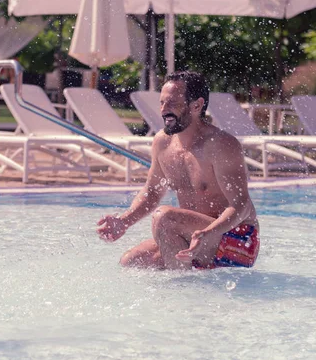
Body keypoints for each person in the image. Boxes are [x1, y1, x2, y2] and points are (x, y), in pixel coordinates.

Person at [97, 71, 260, 270]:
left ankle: (183, 292)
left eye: (172, 103)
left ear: (197, 105)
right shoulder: (162, 143)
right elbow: (152, 193)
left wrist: (208, 232)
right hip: (195, 236)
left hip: (237, 239)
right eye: (162, 103)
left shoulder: (221, 145)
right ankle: (187, 278)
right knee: (132, 262)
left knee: (164, 218)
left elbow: (241, 206)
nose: (164, 110)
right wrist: (124, 221)